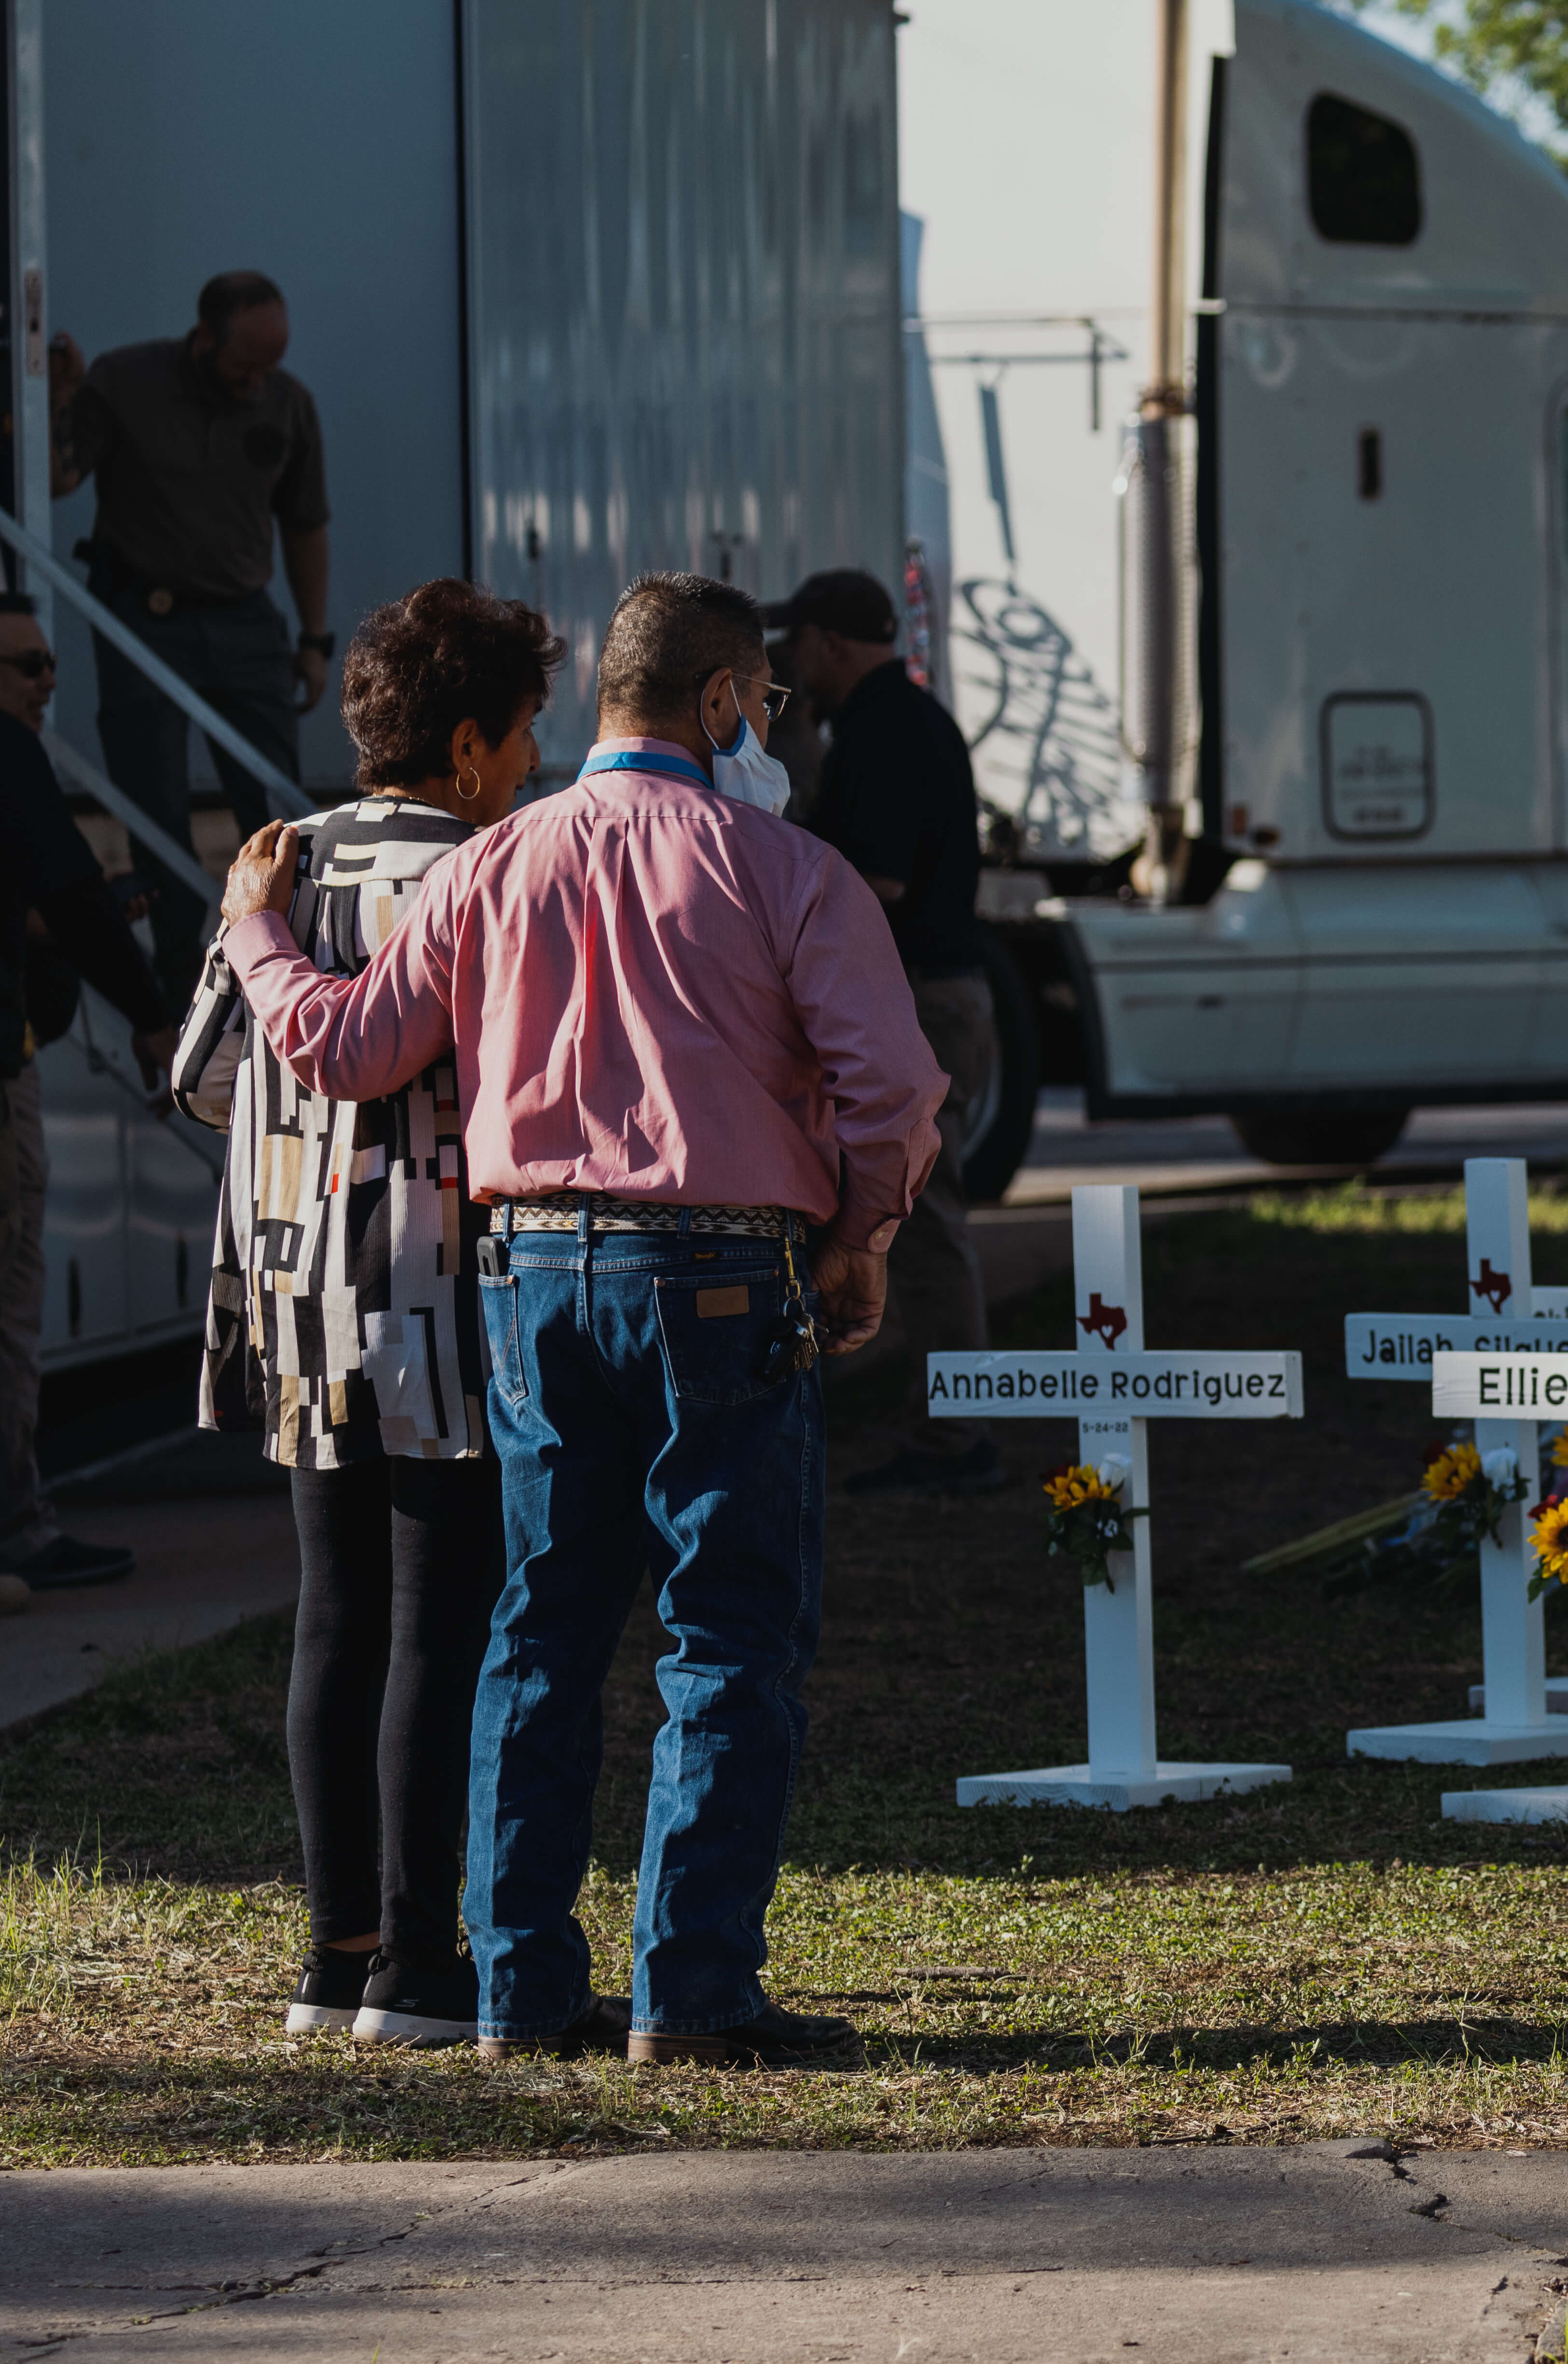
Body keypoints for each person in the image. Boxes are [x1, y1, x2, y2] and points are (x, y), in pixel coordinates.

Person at [218, 571, 942, 2071]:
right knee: (727, 1634)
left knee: (536, 1630)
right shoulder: (787, 868)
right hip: (727, 1272)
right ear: (727, 698)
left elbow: (347, 1045)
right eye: (768, 705)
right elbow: (895, 1088)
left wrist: (253, 934)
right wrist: (861, 1237)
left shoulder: (496, 864)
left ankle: (520, 1990)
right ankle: (691, 1992)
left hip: (533, 1272)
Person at [173, 581, 551, 2047]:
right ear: (467, 746)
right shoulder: (494, 866)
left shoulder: (278, 860)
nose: (531, 763)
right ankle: (416, 1959)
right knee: (437, 1626)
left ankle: (332, 1953)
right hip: (439, 1289)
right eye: (522, 736)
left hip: (294, 1286)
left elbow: (205, 1076)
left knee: (332, 1620)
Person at [763, 569, 999, 1497]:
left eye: (801, 647)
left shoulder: (883, 732)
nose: (795, 668)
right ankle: (933, 1413)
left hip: (926, 998)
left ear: (828, 642)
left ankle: (959, 1435)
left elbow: (879, 885)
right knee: (913, 1213)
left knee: (926, 1216)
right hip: (937, 993)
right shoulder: (900, 720)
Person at [53, 270, 332, 985]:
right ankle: (186, 995)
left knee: (277, 815)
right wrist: (57, 397)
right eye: (244, 366)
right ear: (203, 337)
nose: (254, 385)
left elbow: (305, 527)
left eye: (269, 366)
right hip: (146, 620)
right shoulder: (125, 382)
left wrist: (313, 638)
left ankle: (284, 975)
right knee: (156, 818)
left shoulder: (287, 402)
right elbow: (55, 478)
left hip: (245, 623)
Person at [1, 594, 171, 1605]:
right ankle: (19, 1527)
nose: (44, 681)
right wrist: (153, 1018)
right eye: (22, 664)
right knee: (10, 1298)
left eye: (49, 665)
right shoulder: (12, 756)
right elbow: (68, 894)